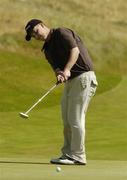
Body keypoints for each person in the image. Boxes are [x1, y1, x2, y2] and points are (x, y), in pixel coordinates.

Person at [25, 19, 98, 165]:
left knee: (75, 119)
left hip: (83, 77)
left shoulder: (61, 33)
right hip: (71, 82)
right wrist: (59, 73)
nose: (36, 36)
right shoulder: (47, 49)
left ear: (42, 25)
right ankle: (68, 154)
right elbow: (56, 68)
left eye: (35, 31)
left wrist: (66, 70)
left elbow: (75, 51)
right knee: (66, 119)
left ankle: (78, 156)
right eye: (33, 35)